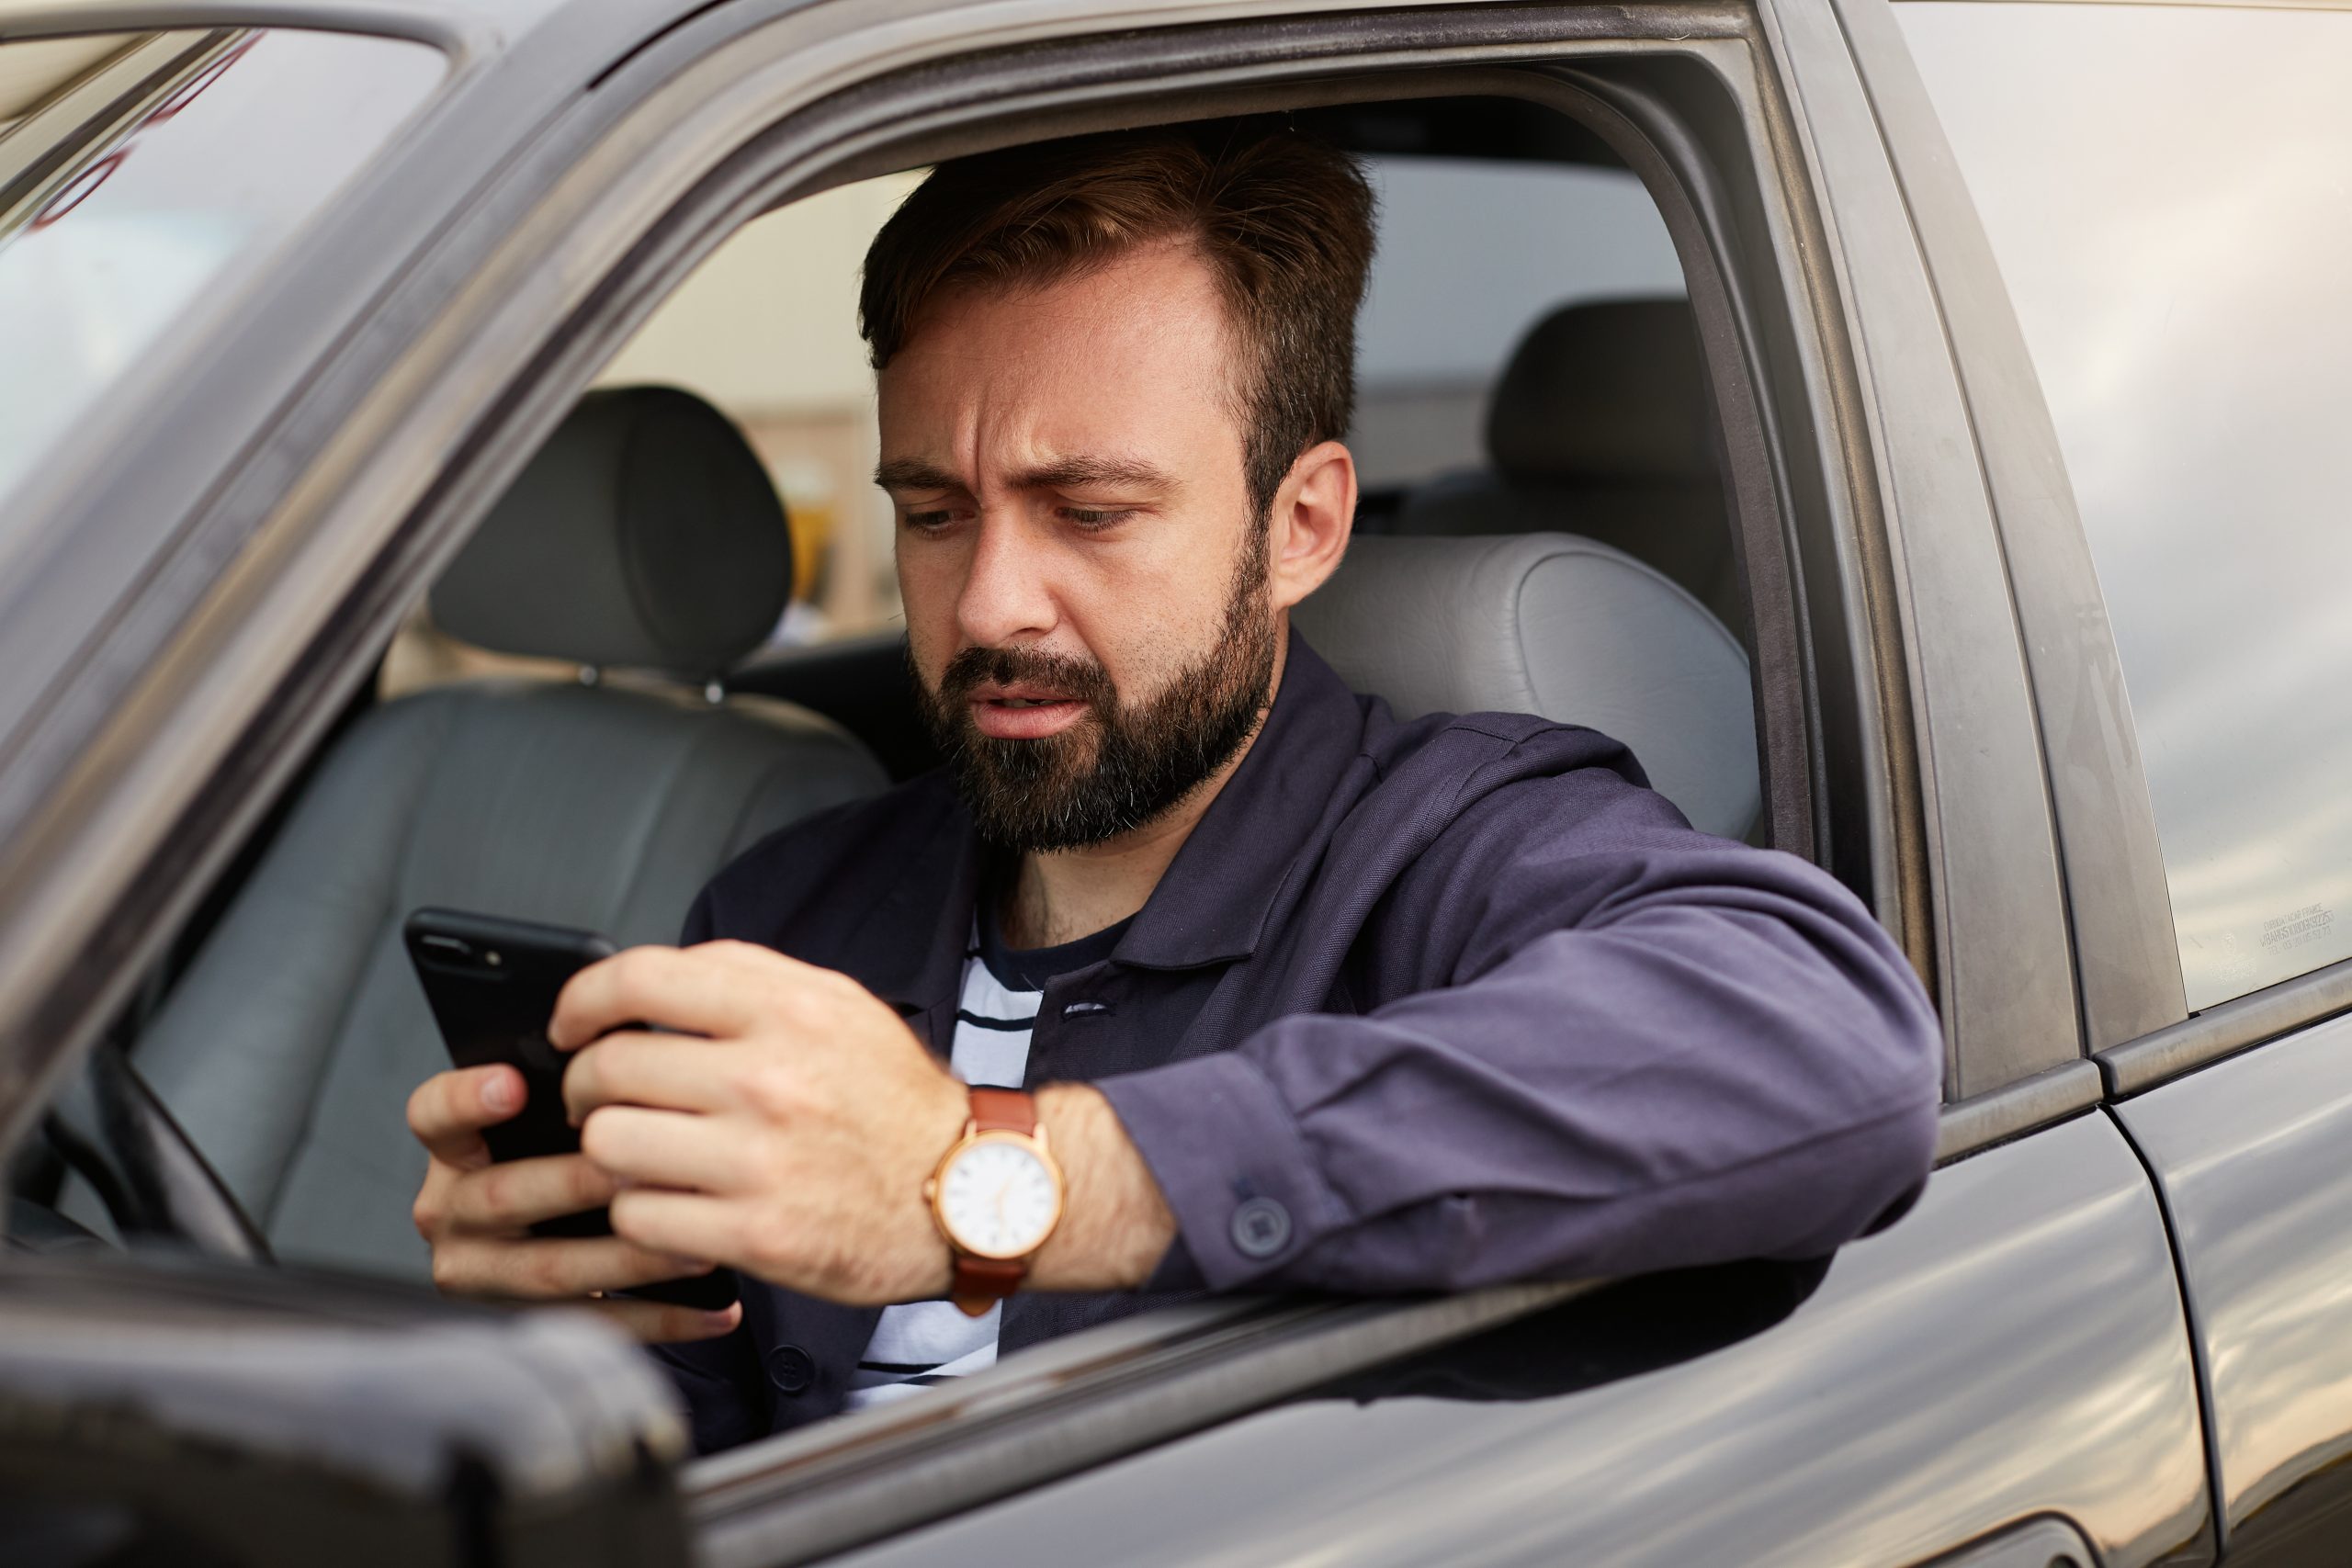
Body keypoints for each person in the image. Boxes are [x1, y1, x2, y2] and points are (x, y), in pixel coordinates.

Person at [405, 124, 1943, 1452]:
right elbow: (717, 1457)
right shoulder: (784, 914)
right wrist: (586, 1342)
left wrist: (992, 1183)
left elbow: (1825, 1041)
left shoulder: (1445, 846)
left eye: (1088, 511)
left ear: (1301, 526)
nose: (991, 601)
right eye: (934, 512)